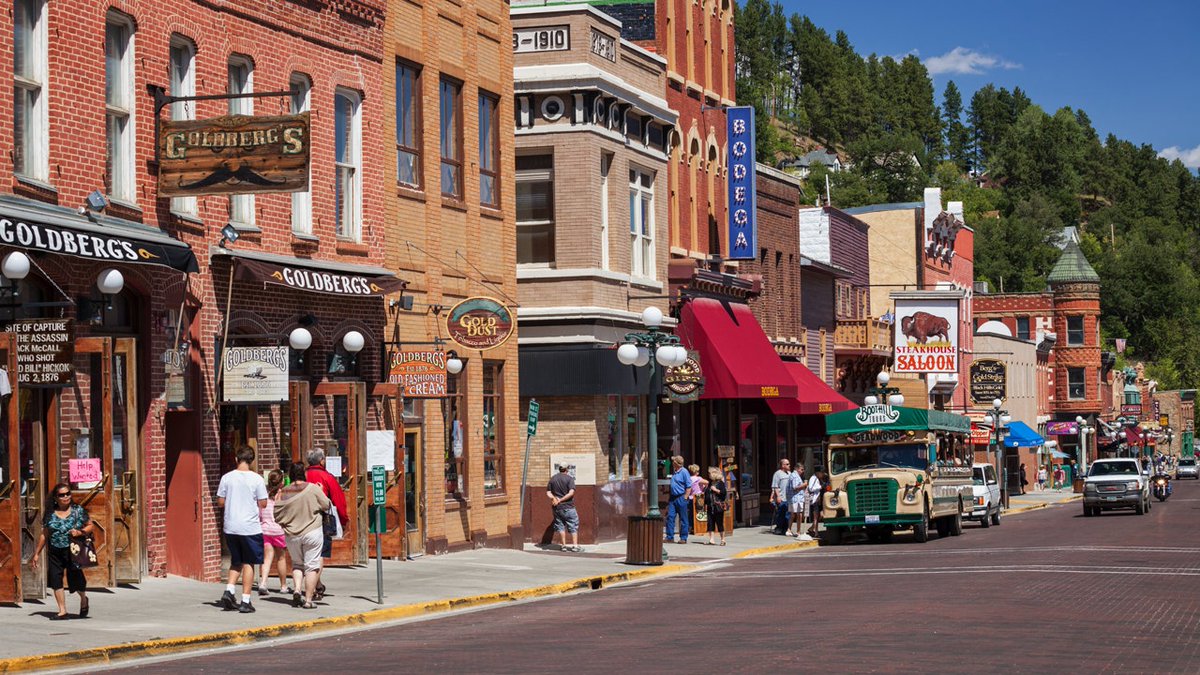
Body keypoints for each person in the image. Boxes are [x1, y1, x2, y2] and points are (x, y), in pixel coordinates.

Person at [217, 446, 268, 613]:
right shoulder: (257, 479)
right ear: (252, 460)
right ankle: (246, 600)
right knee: (249, 563)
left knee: (236, 560)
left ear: (236, 459)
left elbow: (221, 502)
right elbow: (263, 503)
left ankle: (229, 590)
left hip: (231, 526)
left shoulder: (227, 478)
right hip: (249, 527)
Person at [31, 483, 93, 620]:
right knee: (55, 579)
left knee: (77, 580)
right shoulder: (50, 514)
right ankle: (62, 611)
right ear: (55, 498)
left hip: (73, 550)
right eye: (61, 495)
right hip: (54, 550)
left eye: (67, 494)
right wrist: (36, 553)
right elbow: (44, 534)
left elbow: (90, 526)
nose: (65, 497)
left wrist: (79, 532)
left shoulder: (78, 510)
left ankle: (83, 599)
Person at [274, 463, 331, 609]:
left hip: (292, 534)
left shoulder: (284, 492)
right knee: (312, 566)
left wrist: (284, 524)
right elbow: (326, 505)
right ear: (303, 473)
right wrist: (321, 491)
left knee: (297, 564)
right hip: (312, 531)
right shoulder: (312, 488)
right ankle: (308, 600)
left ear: (290, 474)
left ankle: (297, 589)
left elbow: (276, 513)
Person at [306, 448, 348, 600]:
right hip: (321, 520)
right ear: (321, 460)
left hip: (302, 518)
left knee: (306, 554)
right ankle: (313, 588)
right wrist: (343, 520)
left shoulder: (303, 476)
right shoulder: (327, 477)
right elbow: (338, 500)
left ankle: (316, 585)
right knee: (319, 553)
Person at [258, 470, 291, 597]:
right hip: (279, 531)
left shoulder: (264, 495)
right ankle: (283, 586)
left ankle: (263, 583)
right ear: (282, 482)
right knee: (281, 558)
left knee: (267, 558)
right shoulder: (282, 496)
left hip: (265, 530)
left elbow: (259, 513)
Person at [546, 463, 580, 552]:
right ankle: (575, 546)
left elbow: (548, 492)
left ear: (559, 469)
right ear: (567, 469)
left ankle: (563, 546)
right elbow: (571, 493)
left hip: (557, 508)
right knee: (573, 525)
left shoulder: (553, 479)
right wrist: (561, 500)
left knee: (560, 526)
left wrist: (554, 498)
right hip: (569, 506)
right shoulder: (570, 479)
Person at [665, 456, 690, 543]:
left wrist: (685, 497)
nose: (672, 463)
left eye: (673, 461)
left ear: (676, 463)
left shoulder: (684, 472)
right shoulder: (675, 472)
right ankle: (669, 537)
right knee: (670, 516)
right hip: (673, 497)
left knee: (683, 518)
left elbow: (688, 486)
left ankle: (683, 538)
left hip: (681, 497)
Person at [704, 467, 728, 546]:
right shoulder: (710, 483)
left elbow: (724, 493)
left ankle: (723, 540)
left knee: (719, 523)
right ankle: (711, 539)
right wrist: (705, 504)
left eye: (710, 473)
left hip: (718, 507)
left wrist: (716, 490)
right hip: (710, 506)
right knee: (710, 523)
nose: (709, 475)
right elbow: (707, 495)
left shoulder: (720, 483)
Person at [770, 459, 792, 535]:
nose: (789, 465)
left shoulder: (789, 473)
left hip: (789, 498)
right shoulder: (777, 474)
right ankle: (779, 528)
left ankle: (786, 528)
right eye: (787, 464)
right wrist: (778, 496)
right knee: (781, 513)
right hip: (782, 497)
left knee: (788, 514)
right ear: (783, 465)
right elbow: (775, 486)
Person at [687, 464, 708, 531]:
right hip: (698, 498)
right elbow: (707, 482)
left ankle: (691, 527)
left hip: (690, 498)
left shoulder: (689, 479)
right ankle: (699, 528)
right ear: (696, 472)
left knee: (691, 514)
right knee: (699, 513)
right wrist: (704, 490)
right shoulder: (698, 479)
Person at [787, 466, 806, 537]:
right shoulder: (795, 476)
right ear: (797, 469)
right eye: (801, 469)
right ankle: (796, 531)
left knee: (793, 514)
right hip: (796, 498)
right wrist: (804, 484)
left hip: (795, 498)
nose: (802, 471)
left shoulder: (794, 475)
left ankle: (790, 530)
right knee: (798, 514)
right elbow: (795, 487)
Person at [806, 468, 826, 537]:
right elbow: (811, 488)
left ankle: (812, 529)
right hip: (814, 500)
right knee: (816, 517)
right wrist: (820, 487)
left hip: (818, 500)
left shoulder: (818, 479)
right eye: (822, 473)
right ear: (818, 472)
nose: (822, 475)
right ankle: (815, 532)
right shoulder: (813, 478)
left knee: (818, 516)